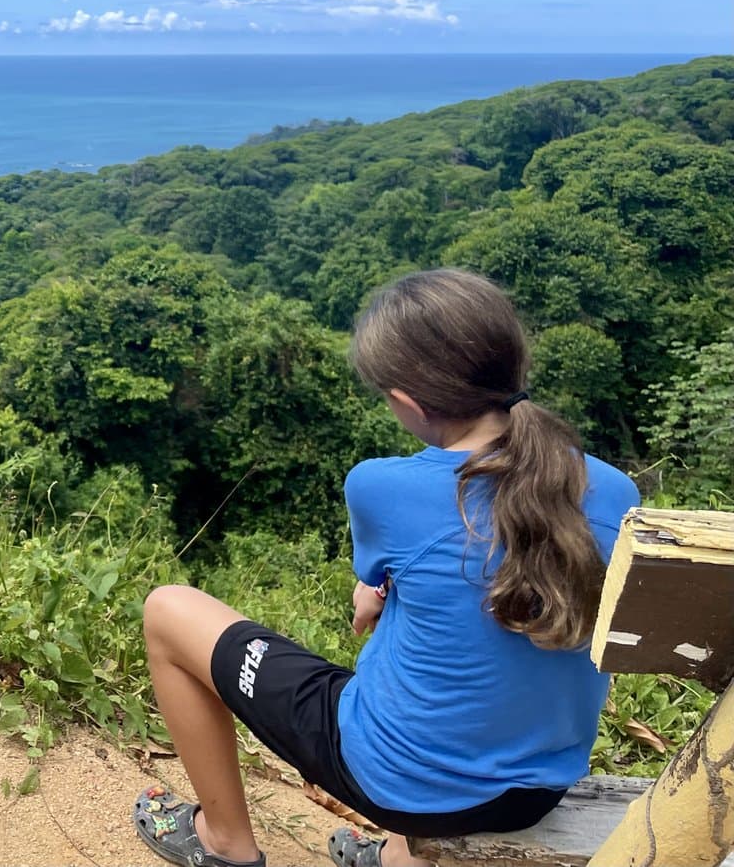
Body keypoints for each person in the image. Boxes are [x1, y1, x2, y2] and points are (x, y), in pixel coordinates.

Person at [133, 268, 640, 867]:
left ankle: (225, 844)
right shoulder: (614, 491)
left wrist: (373, 592)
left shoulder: (381, 487)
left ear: (407, 402)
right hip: (540, 788)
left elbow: (381, 583)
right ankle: (400, 857)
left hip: (404, 787)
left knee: (168, 610)